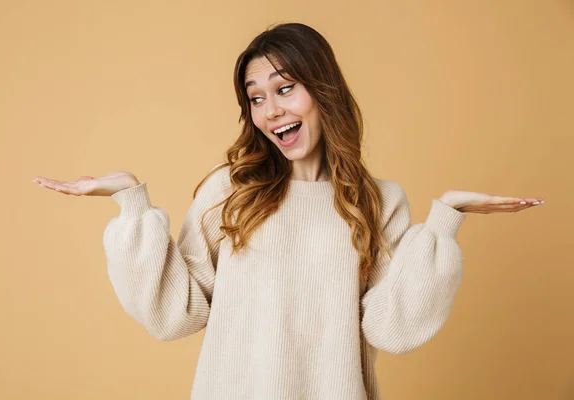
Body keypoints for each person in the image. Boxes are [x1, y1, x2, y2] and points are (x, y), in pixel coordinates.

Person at [33, 22, 544, 400]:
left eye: (284, 89)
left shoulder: (378, 201)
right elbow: (175, 313)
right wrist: (131, 201)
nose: (271, 110)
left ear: (323, 93)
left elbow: (391, 328)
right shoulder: (230, 189)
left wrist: (444, 220)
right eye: (256, 98)